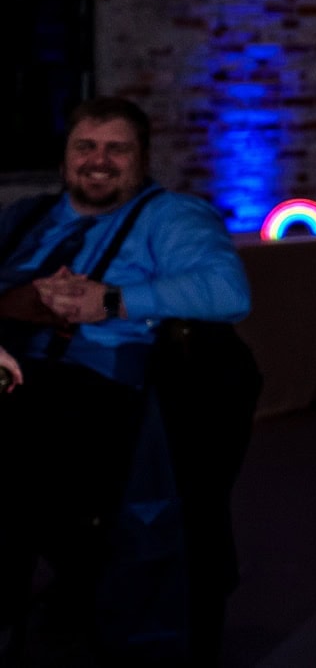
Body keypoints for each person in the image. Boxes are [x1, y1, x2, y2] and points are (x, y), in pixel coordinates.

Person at [0, 96, 253, 664]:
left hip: (102, 390)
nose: (99, 161)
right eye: (85, 147)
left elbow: (229, 292)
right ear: (64, 157)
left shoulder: (171, 216)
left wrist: (111, 300)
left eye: (118, 149)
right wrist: (12, 302)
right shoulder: (25, 218)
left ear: (143, 159)